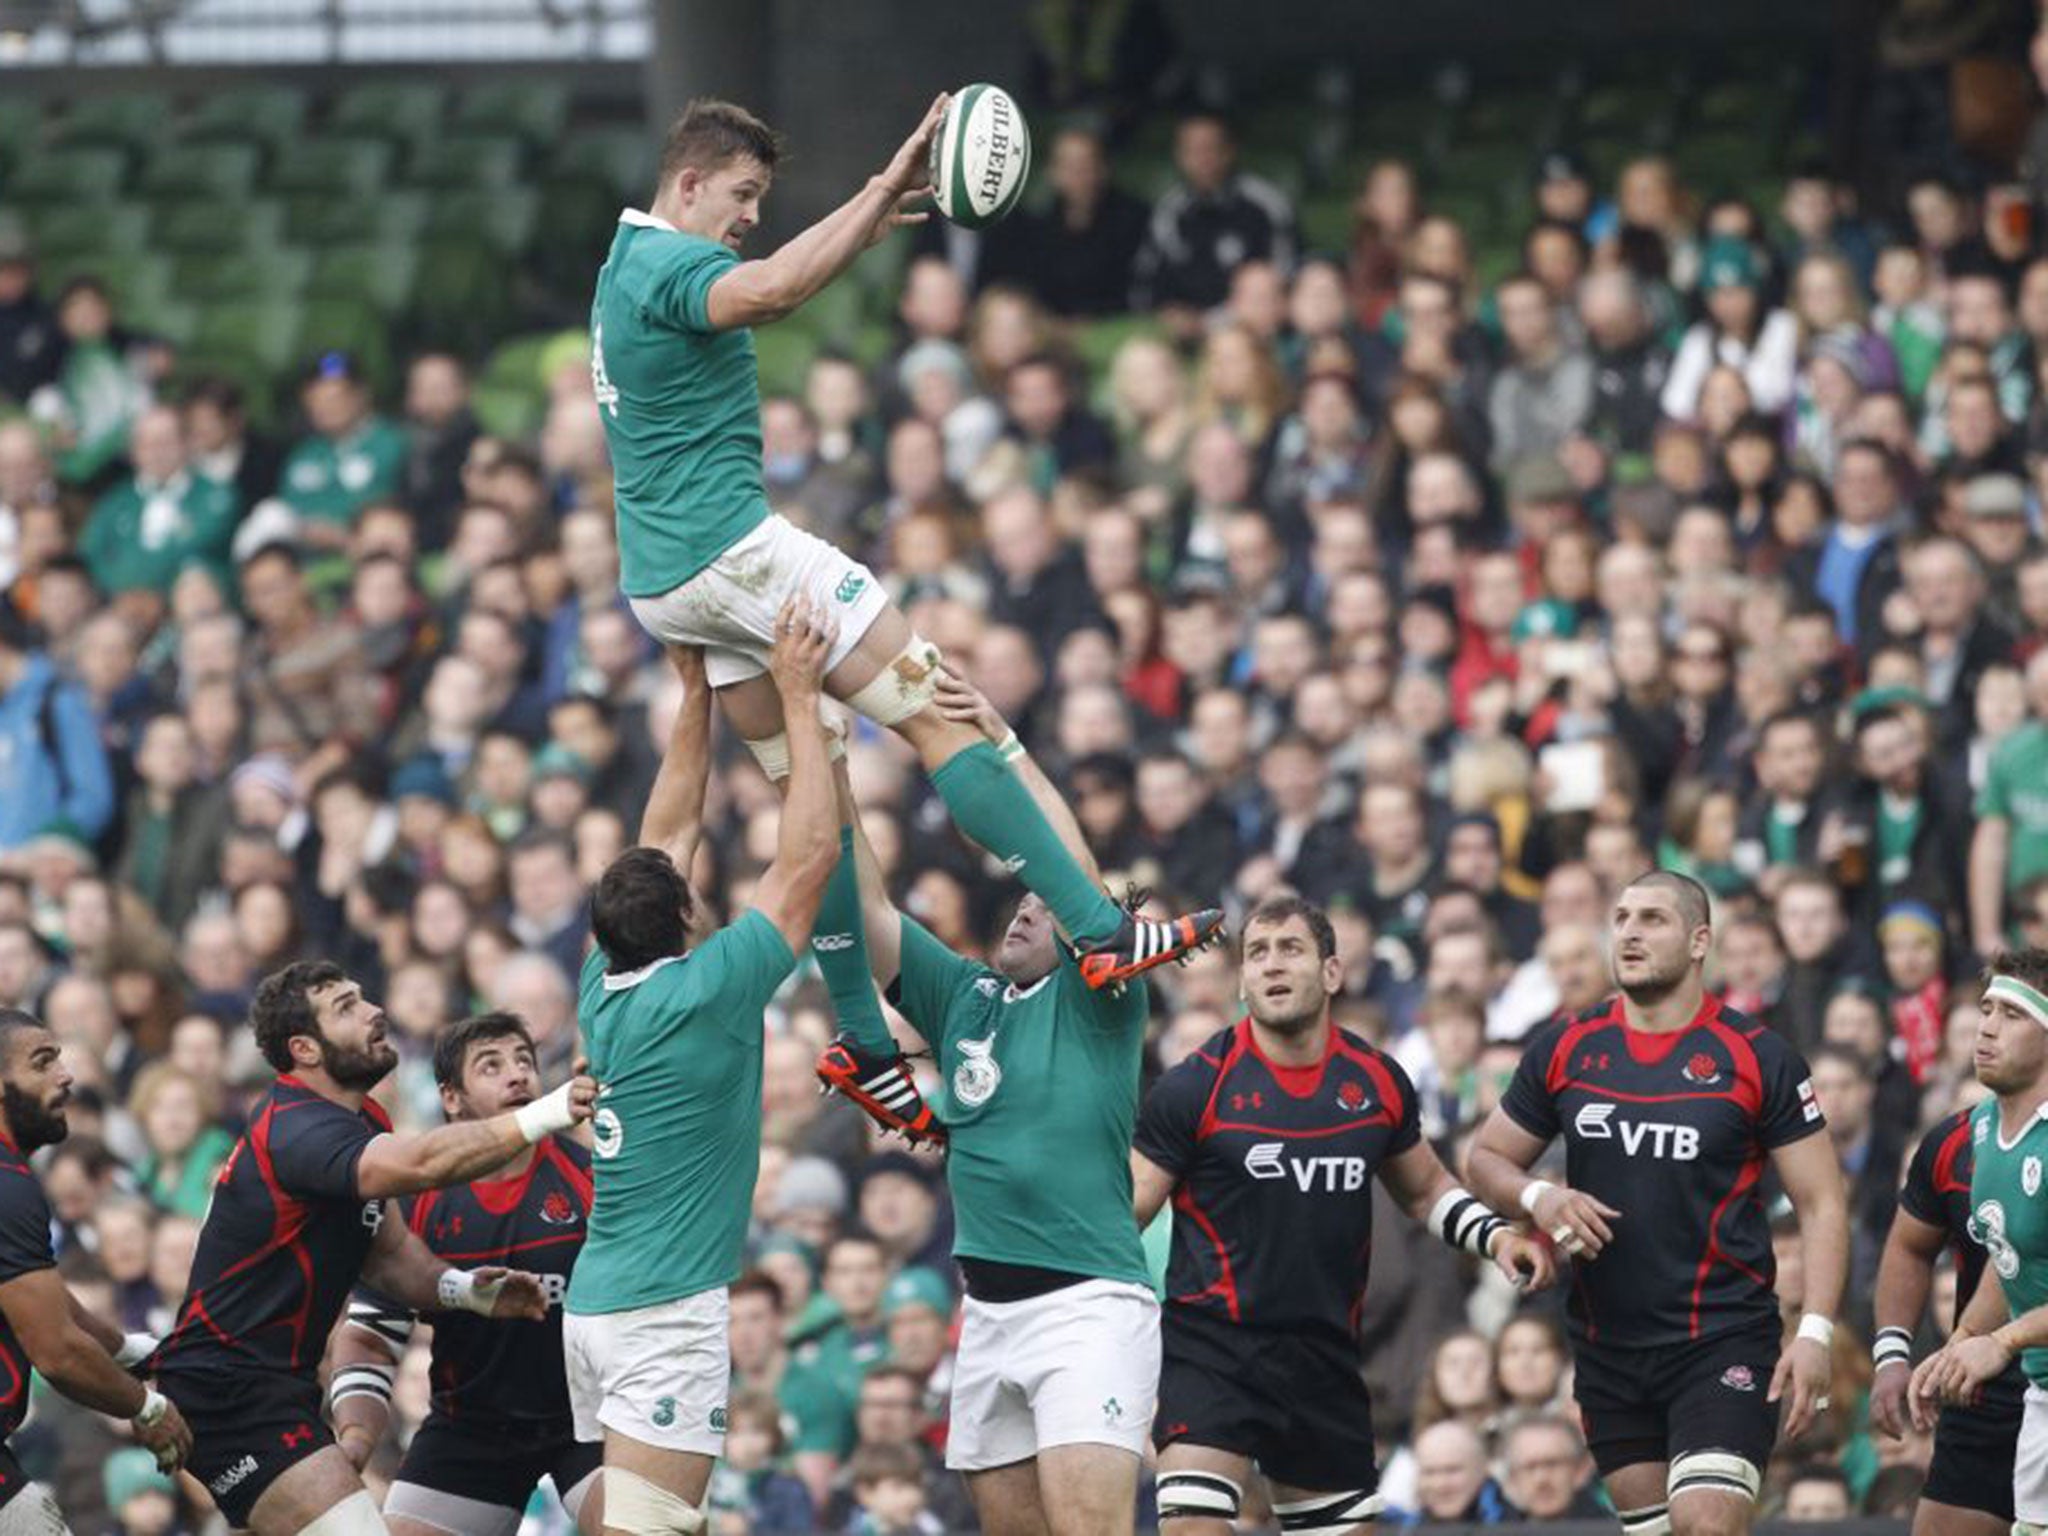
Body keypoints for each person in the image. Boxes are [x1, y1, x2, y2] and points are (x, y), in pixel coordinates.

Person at [588, 97, 1223, 1146]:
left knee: (818, 793)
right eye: (742, 195)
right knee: (941, 713)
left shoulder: (619, 268)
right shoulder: (668, 265)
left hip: (666, 581)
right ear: (689, 184)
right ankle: (1098, 929)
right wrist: (878, 191)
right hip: (735, 552)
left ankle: (860, 1039)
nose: (749, 216)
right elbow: (779, 288)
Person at [831, 666, 1208, 1536]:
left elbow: (1072, 873)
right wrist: (829, 766)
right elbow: (864, 904)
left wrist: (1007, 748)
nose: (1027, 913)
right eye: (1020, 904)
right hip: (987, 1310)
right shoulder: (964, 997)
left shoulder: (1100, 1000)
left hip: (1086, 1306)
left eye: (1050, 910)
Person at [1131, 893, 1551, 1536]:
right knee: (1193, 1526)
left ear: (1332, 972)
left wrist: (1495, 1237)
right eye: (1258, 954)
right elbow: (1127, 1209)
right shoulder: (1195, 1085)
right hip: (1214, 1350)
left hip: (1323, 1355)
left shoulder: (1377, 1082)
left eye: (1291, 949)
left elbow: (1423, 1188)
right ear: (1241, 981)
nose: (1272, 965)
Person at [563, 604, 839, 1536]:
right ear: (687, 916)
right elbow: (809, 859)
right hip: (663, 1314)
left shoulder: (602, 984)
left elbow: (666, 827)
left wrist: (694, 697)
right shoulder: (711, 986)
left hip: (598, 1305)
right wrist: (797, 698)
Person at [148, 965, 597, 1535]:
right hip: (230, 1396)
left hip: (278, 1391)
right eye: (346, 1007)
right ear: (305, 1049)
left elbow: (388, 1259)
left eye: (362, 998)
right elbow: (418, 1165)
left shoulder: (358, 1121)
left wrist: (465, 1292)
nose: (372, 1012)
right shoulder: (295, 1127)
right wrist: (549, 1111)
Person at [1468, 869, 1850, 1536]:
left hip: (1722, 1339)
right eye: (1619, 919)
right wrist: (1541, 1197)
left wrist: (1814, 1330)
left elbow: (1821, 1202)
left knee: (1704, 1524)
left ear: (1700, 940)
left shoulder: (1759, 1057)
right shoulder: (1567, 1045)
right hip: (1606, 1345)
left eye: (1651, 919)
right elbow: (1484, 1158)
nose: (1629, 933)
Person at [328, 1011, 602, 1536]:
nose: (518, 1074)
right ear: (451, 1099)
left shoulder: (590, 1179)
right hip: (471, 1429)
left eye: (525, 1060)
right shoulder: (414, 1202)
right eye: (491, 1066)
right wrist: (356, 1442)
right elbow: (371, 1335)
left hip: (589, 1423)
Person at [0, 1009, 191, 1531]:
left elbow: (38, 1298)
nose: (65, 1076)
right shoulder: (7, 1184)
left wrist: (124, 1348)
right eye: (43, 1062)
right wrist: (146, 1408)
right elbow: (57, 1351)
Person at [1908, 949, 2048, 1535]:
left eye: (2012, 1014)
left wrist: (2006, 1340)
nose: (1987, 1025)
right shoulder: (1986, 1127)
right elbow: (2006, 1248)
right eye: (1986, 1008)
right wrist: (1963, 1338)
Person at [1868, 1105, 2023, 1536]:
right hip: (1980, 1387)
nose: (1988, 1033)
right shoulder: (1955, 1141)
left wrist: (2001, 1341)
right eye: (1985, 1027)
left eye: (2011, 1028)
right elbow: (1911, 1246)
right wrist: (1893, 1354)